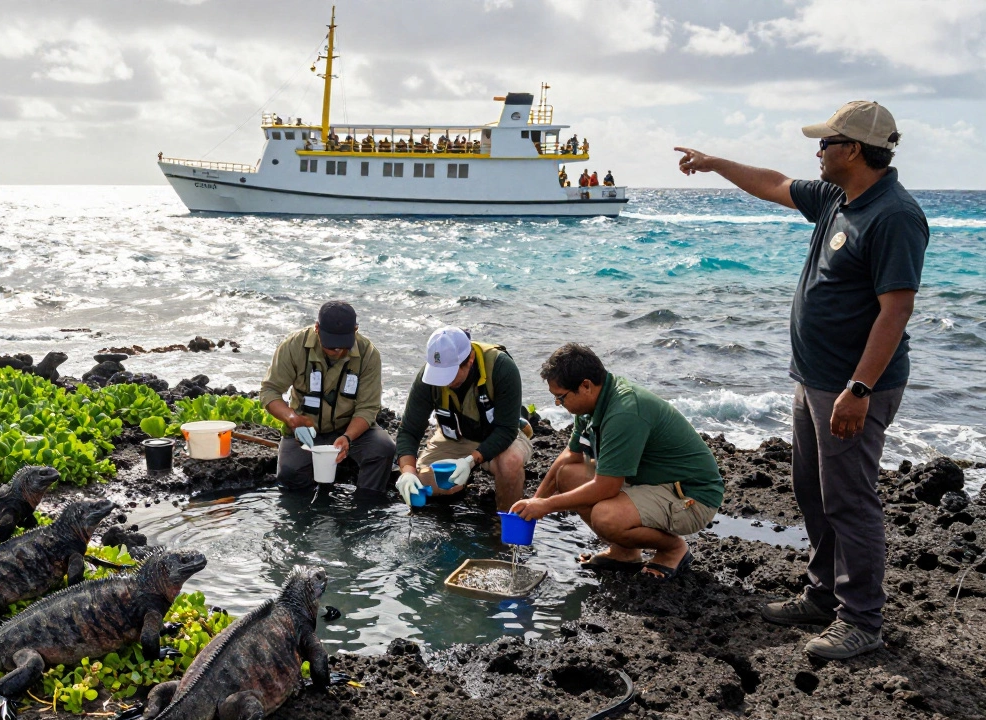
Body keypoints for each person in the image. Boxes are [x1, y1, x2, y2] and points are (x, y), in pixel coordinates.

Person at [675, 100, 928, 659]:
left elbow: (896, 311)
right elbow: (772, 183)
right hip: (814, 379)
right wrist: (716, 162)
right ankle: (823, 595)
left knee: (850, 502)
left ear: (854, 150)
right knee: (813, 494)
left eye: (826, 142)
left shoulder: (894, 215)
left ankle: (862, 619)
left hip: (853, 387)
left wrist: (858, 389)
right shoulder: (840, 197)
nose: (817, 151)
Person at [511, 344, 724, 581]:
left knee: (606, 517)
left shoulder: (624, 411)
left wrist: (548, 506)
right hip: (651, 483)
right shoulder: (591, 406)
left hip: (690, 496)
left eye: (560, 397)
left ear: (586, 386)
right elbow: (570, 456)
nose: (558, 404)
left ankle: (673, 549)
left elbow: (607, 486)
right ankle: (624, 552)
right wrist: (537, 500)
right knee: (568, 475)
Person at [259, 301, 396, 496]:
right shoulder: (293, 346)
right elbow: (269, 391)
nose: (338, 351)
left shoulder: (368, 354)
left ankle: (366, 506)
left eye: (344, 345)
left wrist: (348, 437)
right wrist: (292, 419)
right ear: (317, 329)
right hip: (306, 430)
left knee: (383, 448)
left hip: (352, 429)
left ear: (356, 330)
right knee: (290, 473)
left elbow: (368, 408)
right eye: (331, 346)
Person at [394, 328, 531, 512]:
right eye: (438, 375)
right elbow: (409, 431)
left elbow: (506, 431)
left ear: (470, 360)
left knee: (509, 463)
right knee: (423, 482)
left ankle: (505, 529)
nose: (443, 382)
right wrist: (408, 472)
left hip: (500, 435)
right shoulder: (428, 377)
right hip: (456, 436)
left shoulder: (501, 367)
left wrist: (470, 461)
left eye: (449, 375)